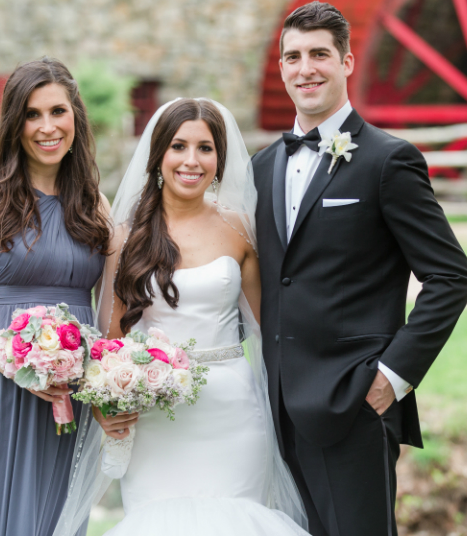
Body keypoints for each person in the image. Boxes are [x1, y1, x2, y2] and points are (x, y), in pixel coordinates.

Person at [252, 0, 467, 536]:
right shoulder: (260, 167)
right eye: (293, 56)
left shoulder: (387, 161)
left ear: (347, 62)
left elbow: (450, 277)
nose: (305, 68)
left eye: (319, 55)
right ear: (281, 66)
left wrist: (390, 380)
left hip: (353, 406)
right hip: (272, 412)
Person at [52, 98, 309, 536]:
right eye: (179, 146)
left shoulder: (241, 229)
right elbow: (110, 340)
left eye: (205, 148)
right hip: (155, 418)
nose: (192, 161)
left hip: (233, 415)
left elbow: (273, 330)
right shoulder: (126, 236)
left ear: (220, 158)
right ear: (158, 157)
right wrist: (105, 406)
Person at [0, 57, 110, 536]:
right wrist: (14, 363)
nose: (47, 127)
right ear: (14, 124)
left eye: (58, 111)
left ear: (76, 117)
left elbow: (115, 307)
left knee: (57, 519)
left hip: (68, 394)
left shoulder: (95, 207)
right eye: (32, 115)